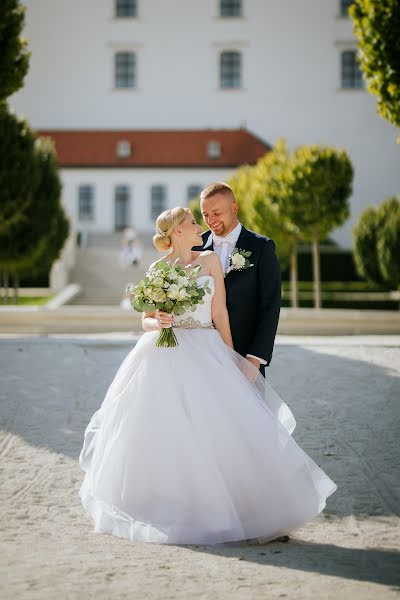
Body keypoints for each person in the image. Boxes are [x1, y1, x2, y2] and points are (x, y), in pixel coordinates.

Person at [79, 206, 337, 545]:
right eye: (192, 222)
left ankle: (246, 509)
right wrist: (160, 322)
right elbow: (145, 319)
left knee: (222, 425)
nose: (199, 226)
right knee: (166, 427)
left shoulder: (211, 262)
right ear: (176, 231)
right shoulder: (159, 268)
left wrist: (230, 357)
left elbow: (220, 313)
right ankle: (168, 503)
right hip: (163, 354)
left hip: (206, 346)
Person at [193, 182, 281, 378]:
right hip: (200, 356)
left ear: (234, 208)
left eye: (216, 213)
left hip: (245, 358)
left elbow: (270, 306)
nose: (210, 220)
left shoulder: (262, 247)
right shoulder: (195, 247)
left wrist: (255, 358)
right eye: (205, 214)